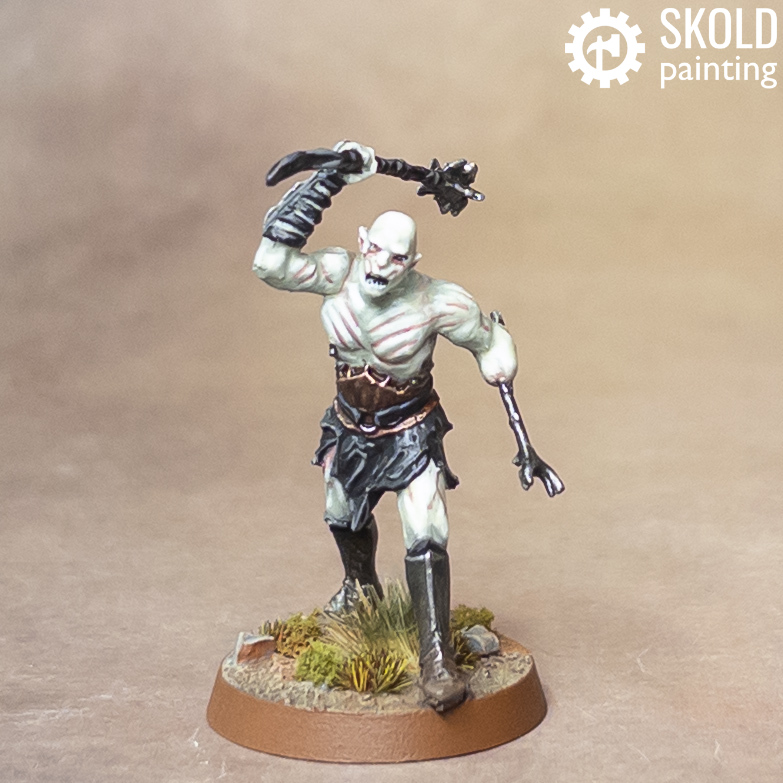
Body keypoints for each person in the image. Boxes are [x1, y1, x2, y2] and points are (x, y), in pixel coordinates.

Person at [253, 141, 518, 712]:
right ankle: (360, 587)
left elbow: (488, 342)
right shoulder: (337, 274)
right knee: (340, 512)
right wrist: (328, 179)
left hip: (411, 427)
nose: (379, 266)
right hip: (350, 424)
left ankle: (436, 658)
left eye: (396, 259)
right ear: (362, 242)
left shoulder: (437, 302)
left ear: (412, 263)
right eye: (374, 250)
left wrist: (501, 368)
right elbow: (270, 264)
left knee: (427, 526)